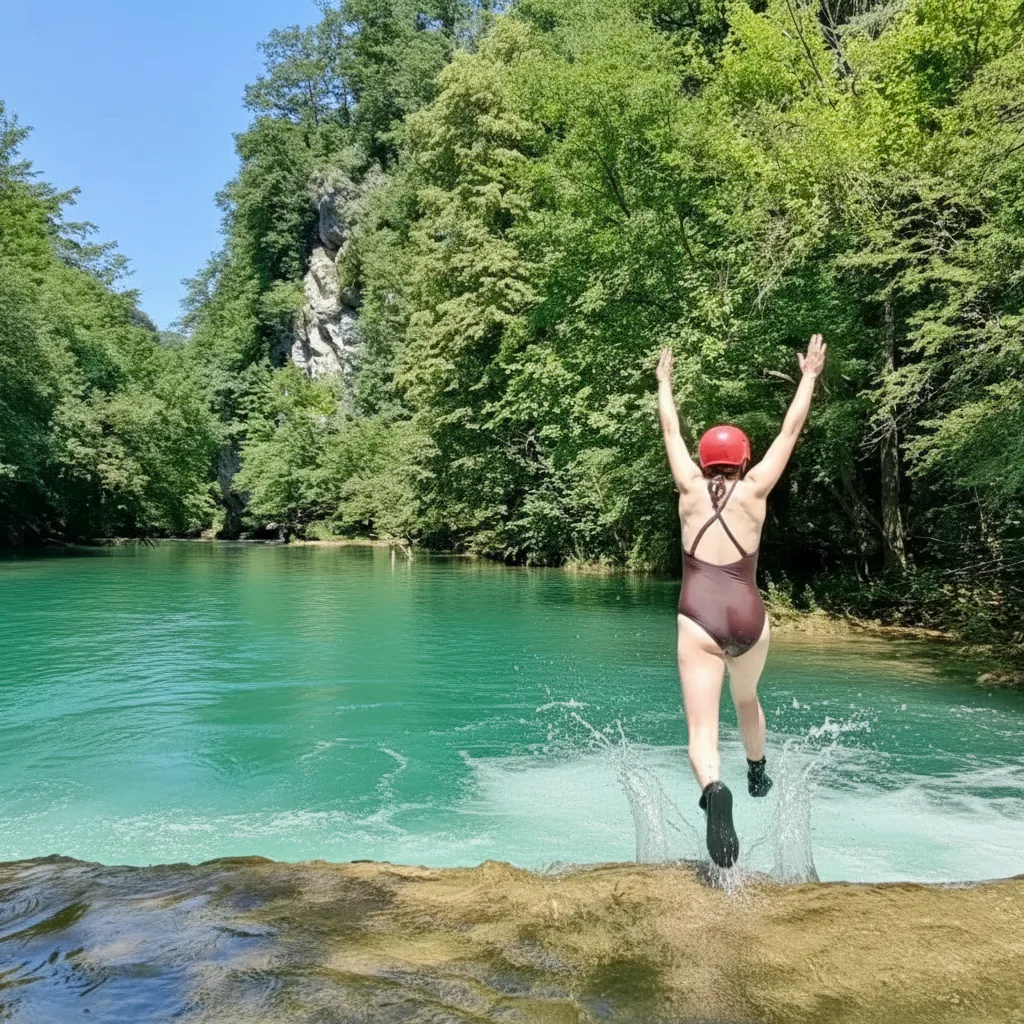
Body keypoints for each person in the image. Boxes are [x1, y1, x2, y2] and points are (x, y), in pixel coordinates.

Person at [656, 334, 827, 868]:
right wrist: (809, 377)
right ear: (743, 459)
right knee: (747, 698)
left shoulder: (688, 488)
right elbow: (790, 430)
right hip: (749, 617)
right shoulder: (755, 490)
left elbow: (670, 430)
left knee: (701, 732)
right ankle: (757, 770)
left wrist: (664, 383)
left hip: (698, 617)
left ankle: (715, 789)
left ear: (705, 462)